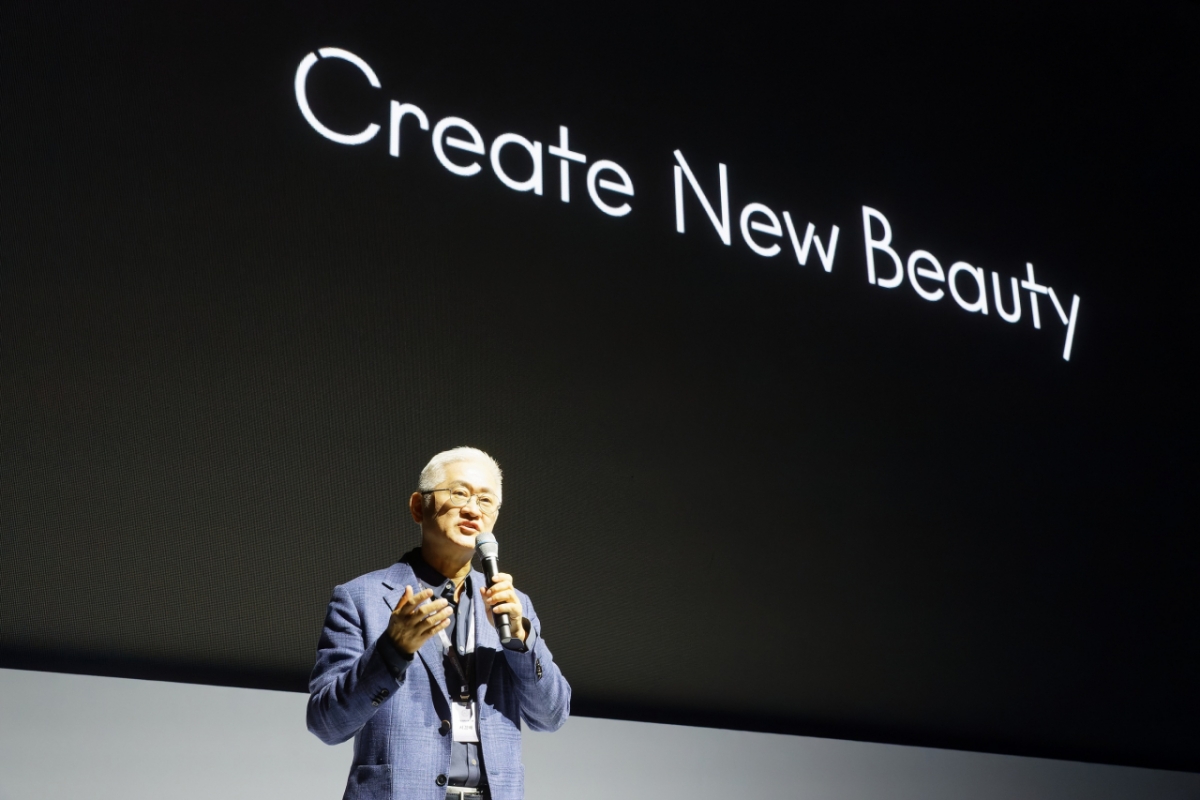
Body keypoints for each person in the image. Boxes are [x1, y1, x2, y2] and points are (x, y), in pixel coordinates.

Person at [307, 447, 570, 800]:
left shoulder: (512, 605)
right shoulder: (360, 598)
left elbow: (551, 716)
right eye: (459, 493)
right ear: (419, 506)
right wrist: (391, 651)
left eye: (486, 500)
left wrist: (523, 642)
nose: (473, 509)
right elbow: (326, 723)